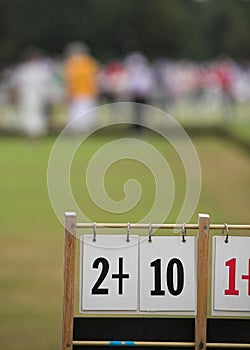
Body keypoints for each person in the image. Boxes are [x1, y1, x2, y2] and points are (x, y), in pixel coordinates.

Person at [10, 47, 51, 137]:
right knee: (28, 115)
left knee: (37, 115)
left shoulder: (40, 70)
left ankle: (35, 134)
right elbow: (16, 85)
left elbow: (45, 85)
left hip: (37, 97)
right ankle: (30, 133)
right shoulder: (23, 69)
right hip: (26, 96)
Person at [64, 41, 99, 133]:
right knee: (76, 115)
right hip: (76, 94)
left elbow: (93, 79)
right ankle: (78, 132)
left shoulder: (89, 63)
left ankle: (85, 131)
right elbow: (69, 81)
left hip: (87, 93)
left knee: (86, 114)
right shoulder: (71, 63)